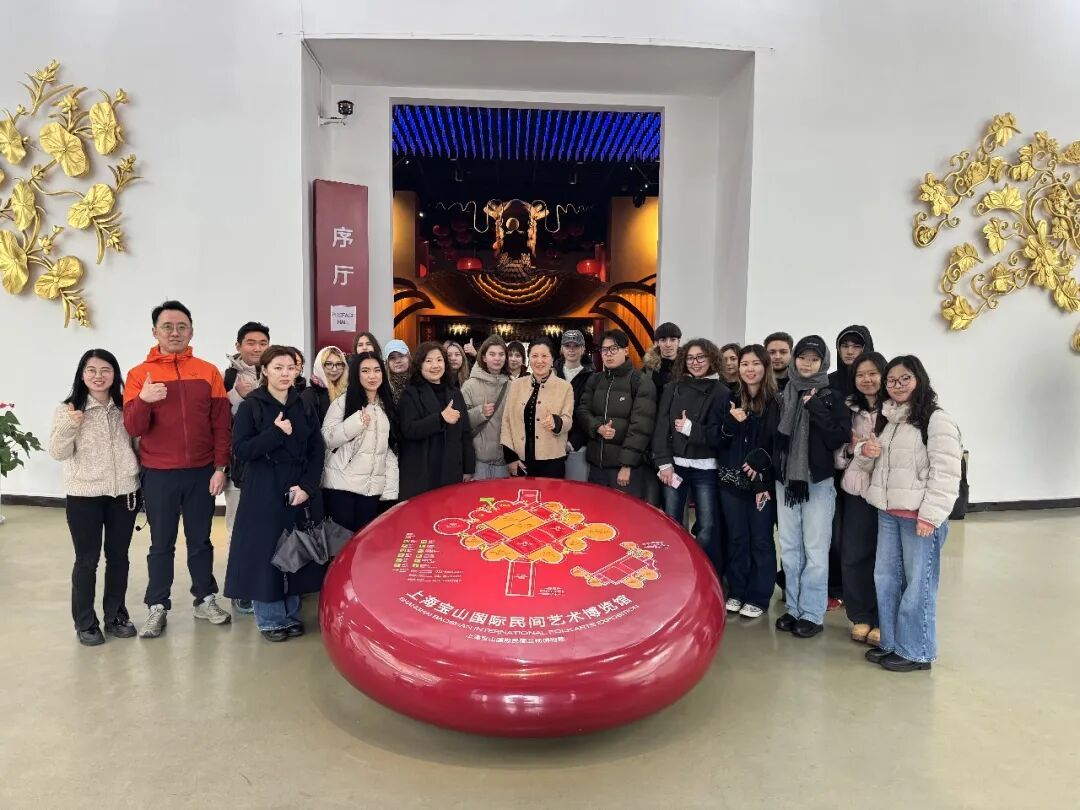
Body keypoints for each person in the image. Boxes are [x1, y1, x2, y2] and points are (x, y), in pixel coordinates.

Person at [123, 300, 232, 638]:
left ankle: (205, 599)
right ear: (155, 332)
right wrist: (144, 400)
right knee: (161, 543)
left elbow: (221, 424)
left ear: (191, 332)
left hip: (201, 472)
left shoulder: (208, 371)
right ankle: (157, 605)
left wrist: (220, 467)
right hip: (158, 473)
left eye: (181, 326)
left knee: (201, 540)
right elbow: (133, 426)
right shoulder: (139, 375)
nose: (175, 332)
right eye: (167, 327)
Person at [854, 355, 961, 672]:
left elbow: (946, 473)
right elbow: (874, 465)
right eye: (892, 380)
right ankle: (891, 642)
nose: (897, 385)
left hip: (919, 518)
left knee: (918, 586)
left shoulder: (936, 420)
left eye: (905, 379)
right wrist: (865, 452)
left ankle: (917, 652)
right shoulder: (888, 419)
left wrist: (931, 515)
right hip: (889, 513)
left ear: (919, 380)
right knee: (886, 579)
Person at [224, 346, 326, 642]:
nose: (285, 373)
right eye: (278, 367)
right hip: (263, 488)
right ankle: (270, 619)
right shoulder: (251, 406)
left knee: (294, 550)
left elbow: (317, 450)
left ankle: (290, 614)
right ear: (265, 370)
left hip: (297, 487)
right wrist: (276, 433)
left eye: (290, 368)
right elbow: (242, 450)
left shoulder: (303, 404)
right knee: (266, 553)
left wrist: (307, 487)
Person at [49, 350, 141, 646]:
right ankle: (85, 623)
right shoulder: (68, 409)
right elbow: (57, 452)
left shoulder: (126, 407)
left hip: (124, 493)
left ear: (115, 374)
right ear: (82, 374)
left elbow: (138, 445)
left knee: (119, 558)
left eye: (105, 370)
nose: (98, 376)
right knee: (87, 561)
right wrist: (71, 425)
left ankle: (116, 616)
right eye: (91, 370)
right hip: (84, 496)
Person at [772, 335, 850, 639]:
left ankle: (812, 613)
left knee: (816, 550)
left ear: (823, 362)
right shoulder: (783, 394)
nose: (807, 363)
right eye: (802, 357)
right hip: (786, 482)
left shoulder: (832, 396)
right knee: (790, 548)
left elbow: (838, 437)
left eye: (814, 359)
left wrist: (816, 407)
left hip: (816, 483)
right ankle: (793, 607)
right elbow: (774, 438)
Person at [652, 339, 730, 576]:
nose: (695, 363)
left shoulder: (722, 391)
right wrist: (663, 462)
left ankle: (703, 573)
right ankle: (675, 573)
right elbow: (661, 427)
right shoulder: (673, 387)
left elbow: (720, 435)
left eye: (701, 357)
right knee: (673, 522)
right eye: (690, 358)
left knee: (707, 525)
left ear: (711, 359)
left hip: (706, 468)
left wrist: (690, 429)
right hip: (674, 466)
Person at [715, 344, 780, 619]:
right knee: (737, 538)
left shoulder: (777, 401)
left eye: (755, 364)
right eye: (745, 364)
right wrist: (731, 423)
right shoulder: (730, 399)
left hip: (761, 485)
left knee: (761, 539)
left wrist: (762, 466)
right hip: (731, 481)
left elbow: (779, 443)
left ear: (765, 367)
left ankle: (759, 596)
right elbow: (717, 439)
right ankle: (738, 590)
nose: (749, 369)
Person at [834, 351, 886, 645]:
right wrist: (852, 449)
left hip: (889, 493)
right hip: (857, 491)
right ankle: (860, 615)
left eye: (872, 373)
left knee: (886, 557)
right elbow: (837, 453)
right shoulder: (848, 409)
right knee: (854, 554)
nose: (867, 380)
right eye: (860, 375)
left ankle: (883, 618)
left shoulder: (898, 409)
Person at [222, 321, 270, 615]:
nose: (257, 348)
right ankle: (241, 588)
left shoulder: (275, 371)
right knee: (238, 528)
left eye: (262, 343)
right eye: (251, 342)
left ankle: (263, 582)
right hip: (240, 467)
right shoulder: (227, 377)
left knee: (267, 528)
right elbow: (217, 418)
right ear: (238, 345)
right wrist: (237, 394)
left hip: (271, 466)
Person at [321, 352, 399, 532]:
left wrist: (390, 488)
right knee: (341, 543)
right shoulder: (342, 402)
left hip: (371, 490)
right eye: (365, 371)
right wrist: (356, 423)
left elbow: (385, 450)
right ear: (356, 374)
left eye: (377, 370)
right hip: (342, 486)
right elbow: (327, 438)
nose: (372, 376)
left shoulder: (385, 405)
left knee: (364, 542)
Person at [576, 329, 657, 498]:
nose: (608, 354)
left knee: (624, 512)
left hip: (624, 469)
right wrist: (598, 427)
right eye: (604, 350)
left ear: (625, 350)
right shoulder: (595, 379)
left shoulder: (640, 381)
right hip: (596, 466)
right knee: (594, 510)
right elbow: (582, 410)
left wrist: (627, 465)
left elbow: (641, 427)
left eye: (613, 349)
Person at [397, 342, 475, 499]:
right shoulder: (410, 394)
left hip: (451, 471)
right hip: (422, 473)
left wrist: (468, 468)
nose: (435, 365)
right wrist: (440, 418)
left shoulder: (455, 393)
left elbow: (465, 433)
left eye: (439, 360)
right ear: (419, 365)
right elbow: (408, 429)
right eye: (429, 361)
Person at [502, 338, 574, 479]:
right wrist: (510, 457)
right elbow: (506, 421)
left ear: (552, 359)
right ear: (529, 359)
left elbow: (568, 420)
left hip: (552, 460)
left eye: (544, 356)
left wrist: (556, 422)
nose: (539, 360)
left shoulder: (564, 387)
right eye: (534, 356)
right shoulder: (516, 385)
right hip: (520, 460)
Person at [461, 336, 511, 480]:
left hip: (504, 461)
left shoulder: (511, 386)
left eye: (501, 354)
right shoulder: (469, 385)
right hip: (477, 462)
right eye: (492, 354)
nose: (497, 358)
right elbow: (459, 422)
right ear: (483, 357)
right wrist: (479, 413)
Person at [554, 329, 594, 482]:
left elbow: (590, 413)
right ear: (562, 349)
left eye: (576, 346)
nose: (571, 350)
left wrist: (572, 443)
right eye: (567, 346)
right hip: (550, 445)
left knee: (575, 491)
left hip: (578, 447)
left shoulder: (592, 377)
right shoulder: (551, 374)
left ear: (583, 349)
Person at [301, 346, 348, 424]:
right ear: (319, 366)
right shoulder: (309, 395)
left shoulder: (347, 391)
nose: (334, 369)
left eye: (339, 364)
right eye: (329, 364)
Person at [827, 325, 875, 399]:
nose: (850, 352)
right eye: (845, 346)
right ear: (838, 349)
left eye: (857, 346)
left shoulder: (880, 381)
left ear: (866, 348)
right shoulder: (828, 383)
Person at [643, 322, 681, 394]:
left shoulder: (689, 366)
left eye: (673, 340)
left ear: (678, 342)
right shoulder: (648, 370)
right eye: (663, 340)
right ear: (657, 343)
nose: (668, 344)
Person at [383, 339, 411, 403]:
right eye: (392, 358)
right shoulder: (382, 385)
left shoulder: (419, 381)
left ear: (409, 357)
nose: (398, 361)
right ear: (387, 363)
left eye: (401, 356)